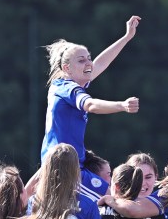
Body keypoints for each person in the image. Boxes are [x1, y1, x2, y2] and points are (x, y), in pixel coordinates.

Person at [39, 17, 141, 201]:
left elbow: (101, 63)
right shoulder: (67, 88)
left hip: (71, 164)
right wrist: (122, 105)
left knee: (111, 198)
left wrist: (127, 37)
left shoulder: (67, 83)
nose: (89, 63)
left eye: (89, 58)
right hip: (64, 167)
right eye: (81, 60)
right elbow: (91, 105)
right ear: (66, 68)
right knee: (114, 199)